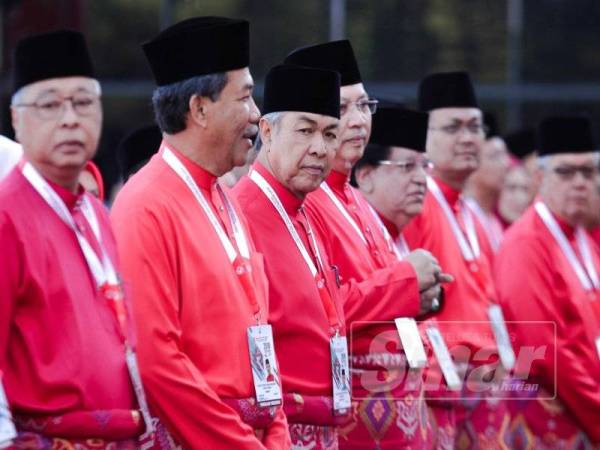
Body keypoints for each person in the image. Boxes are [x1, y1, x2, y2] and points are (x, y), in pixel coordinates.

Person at [111, 17, 290, 449]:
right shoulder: (144, 205)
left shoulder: (225, 199)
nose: (256, 114)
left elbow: (260, 337)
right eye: (245, 96)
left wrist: (278, 435)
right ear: (200, 109)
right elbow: (158, 363)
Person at [284, 40, 447, 449]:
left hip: (397, 409)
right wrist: (407, 280)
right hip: (354, 414)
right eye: (341, 110)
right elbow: (324, 309)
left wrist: (418, 296)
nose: (357, 121)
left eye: (364, 106)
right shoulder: (308, 200)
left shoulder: (353, 195)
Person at [0, 29, 148, 449]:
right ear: (17, 120)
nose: (70, 118)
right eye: (49, 105)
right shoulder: (6, 216)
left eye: (83, 102)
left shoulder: (95, 214)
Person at [234, 63, 350, 450]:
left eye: (331, 133)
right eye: (305, 130)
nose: (320, 147)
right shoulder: (242, 214)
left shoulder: (306, 211)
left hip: (325, 425)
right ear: (266, 131)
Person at [403, 71, 515, 448]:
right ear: (425, 136)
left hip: (481, 390)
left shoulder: (469, 211)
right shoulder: (416, 203)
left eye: (474, 127)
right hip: (441, 389)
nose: (467, 138)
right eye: (452, 128)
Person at [495, 115, 600, 447]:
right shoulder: (527, 243)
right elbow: (544, 347)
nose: (580, 182)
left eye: (588, 171)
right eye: (566, 172)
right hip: (552, 414)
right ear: (539, 177)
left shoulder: (581, 235)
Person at [463, 112, 510, 253]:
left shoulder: (493, 220)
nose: (505, 164)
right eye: (495, 156)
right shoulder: (465, 219)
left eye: (504, 155)